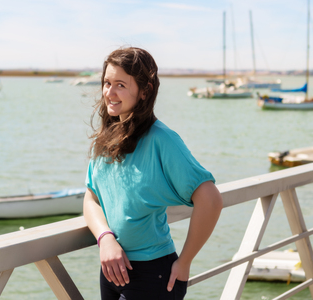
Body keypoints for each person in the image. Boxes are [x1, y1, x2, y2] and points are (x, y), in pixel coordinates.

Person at [83, 47, 223, 300]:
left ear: (144, 91)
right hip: (112, 271)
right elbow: (91, 197)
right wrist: (105, 238)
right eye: (106, 82)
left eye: (120, 85)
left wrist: (186, 261)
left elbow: (211, 199)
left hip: (153, 276)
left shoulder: (162, 139)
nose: (109, 92)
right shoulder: (104, 140)